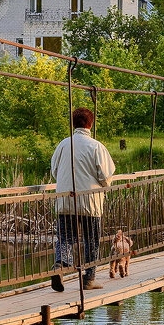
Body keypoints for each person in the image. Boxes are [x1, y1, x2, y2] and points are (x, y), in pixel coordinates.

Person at [49, 107, 116, 292]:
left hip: (65, 201)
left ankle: (60, 266)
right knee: (91, 240)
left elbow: (55, 171)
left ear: (73, 123)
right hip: (90, 203)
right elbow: (105, 177)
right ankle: (89, 278)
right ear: (91, 124)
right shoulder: (96, 146)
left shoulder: (63, 145)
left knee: (65, 238)